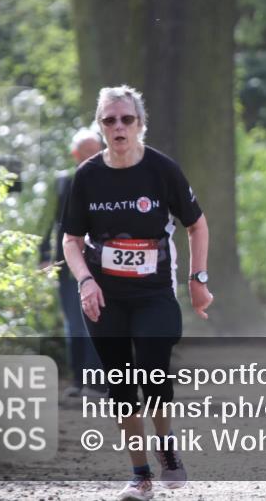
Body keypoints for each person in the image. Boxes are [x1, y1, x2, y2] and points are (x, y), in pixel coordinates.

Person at [61, 85, 214, 501]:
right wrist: (86, 281)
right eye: (109, 120)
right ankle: (140, 474)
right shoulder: (88, 176)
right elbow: (71, 240)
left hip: (153, 294)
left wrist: (197, 279)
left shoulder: (162, 170)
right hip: (105, 296)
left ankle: (166, 448)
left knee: (151, 366)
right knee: (121, 384)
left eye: (126, 119)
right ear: (100, 125)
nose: (118, 127)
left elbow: (196, 224)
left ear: (140, 124)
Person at [38, 128, 106, 399]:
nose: (91, 156)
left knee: (102, 323)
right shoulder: (62, 183)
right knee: (75, 325)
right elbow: (45, 222)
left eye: (95, 150)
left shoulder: (113, 180)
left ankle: (100, 382)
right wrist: (43, 255)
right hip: (68, 265)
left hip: (103, 265)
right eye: (85, 151)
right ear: (74, 154)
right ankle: (79, 381)